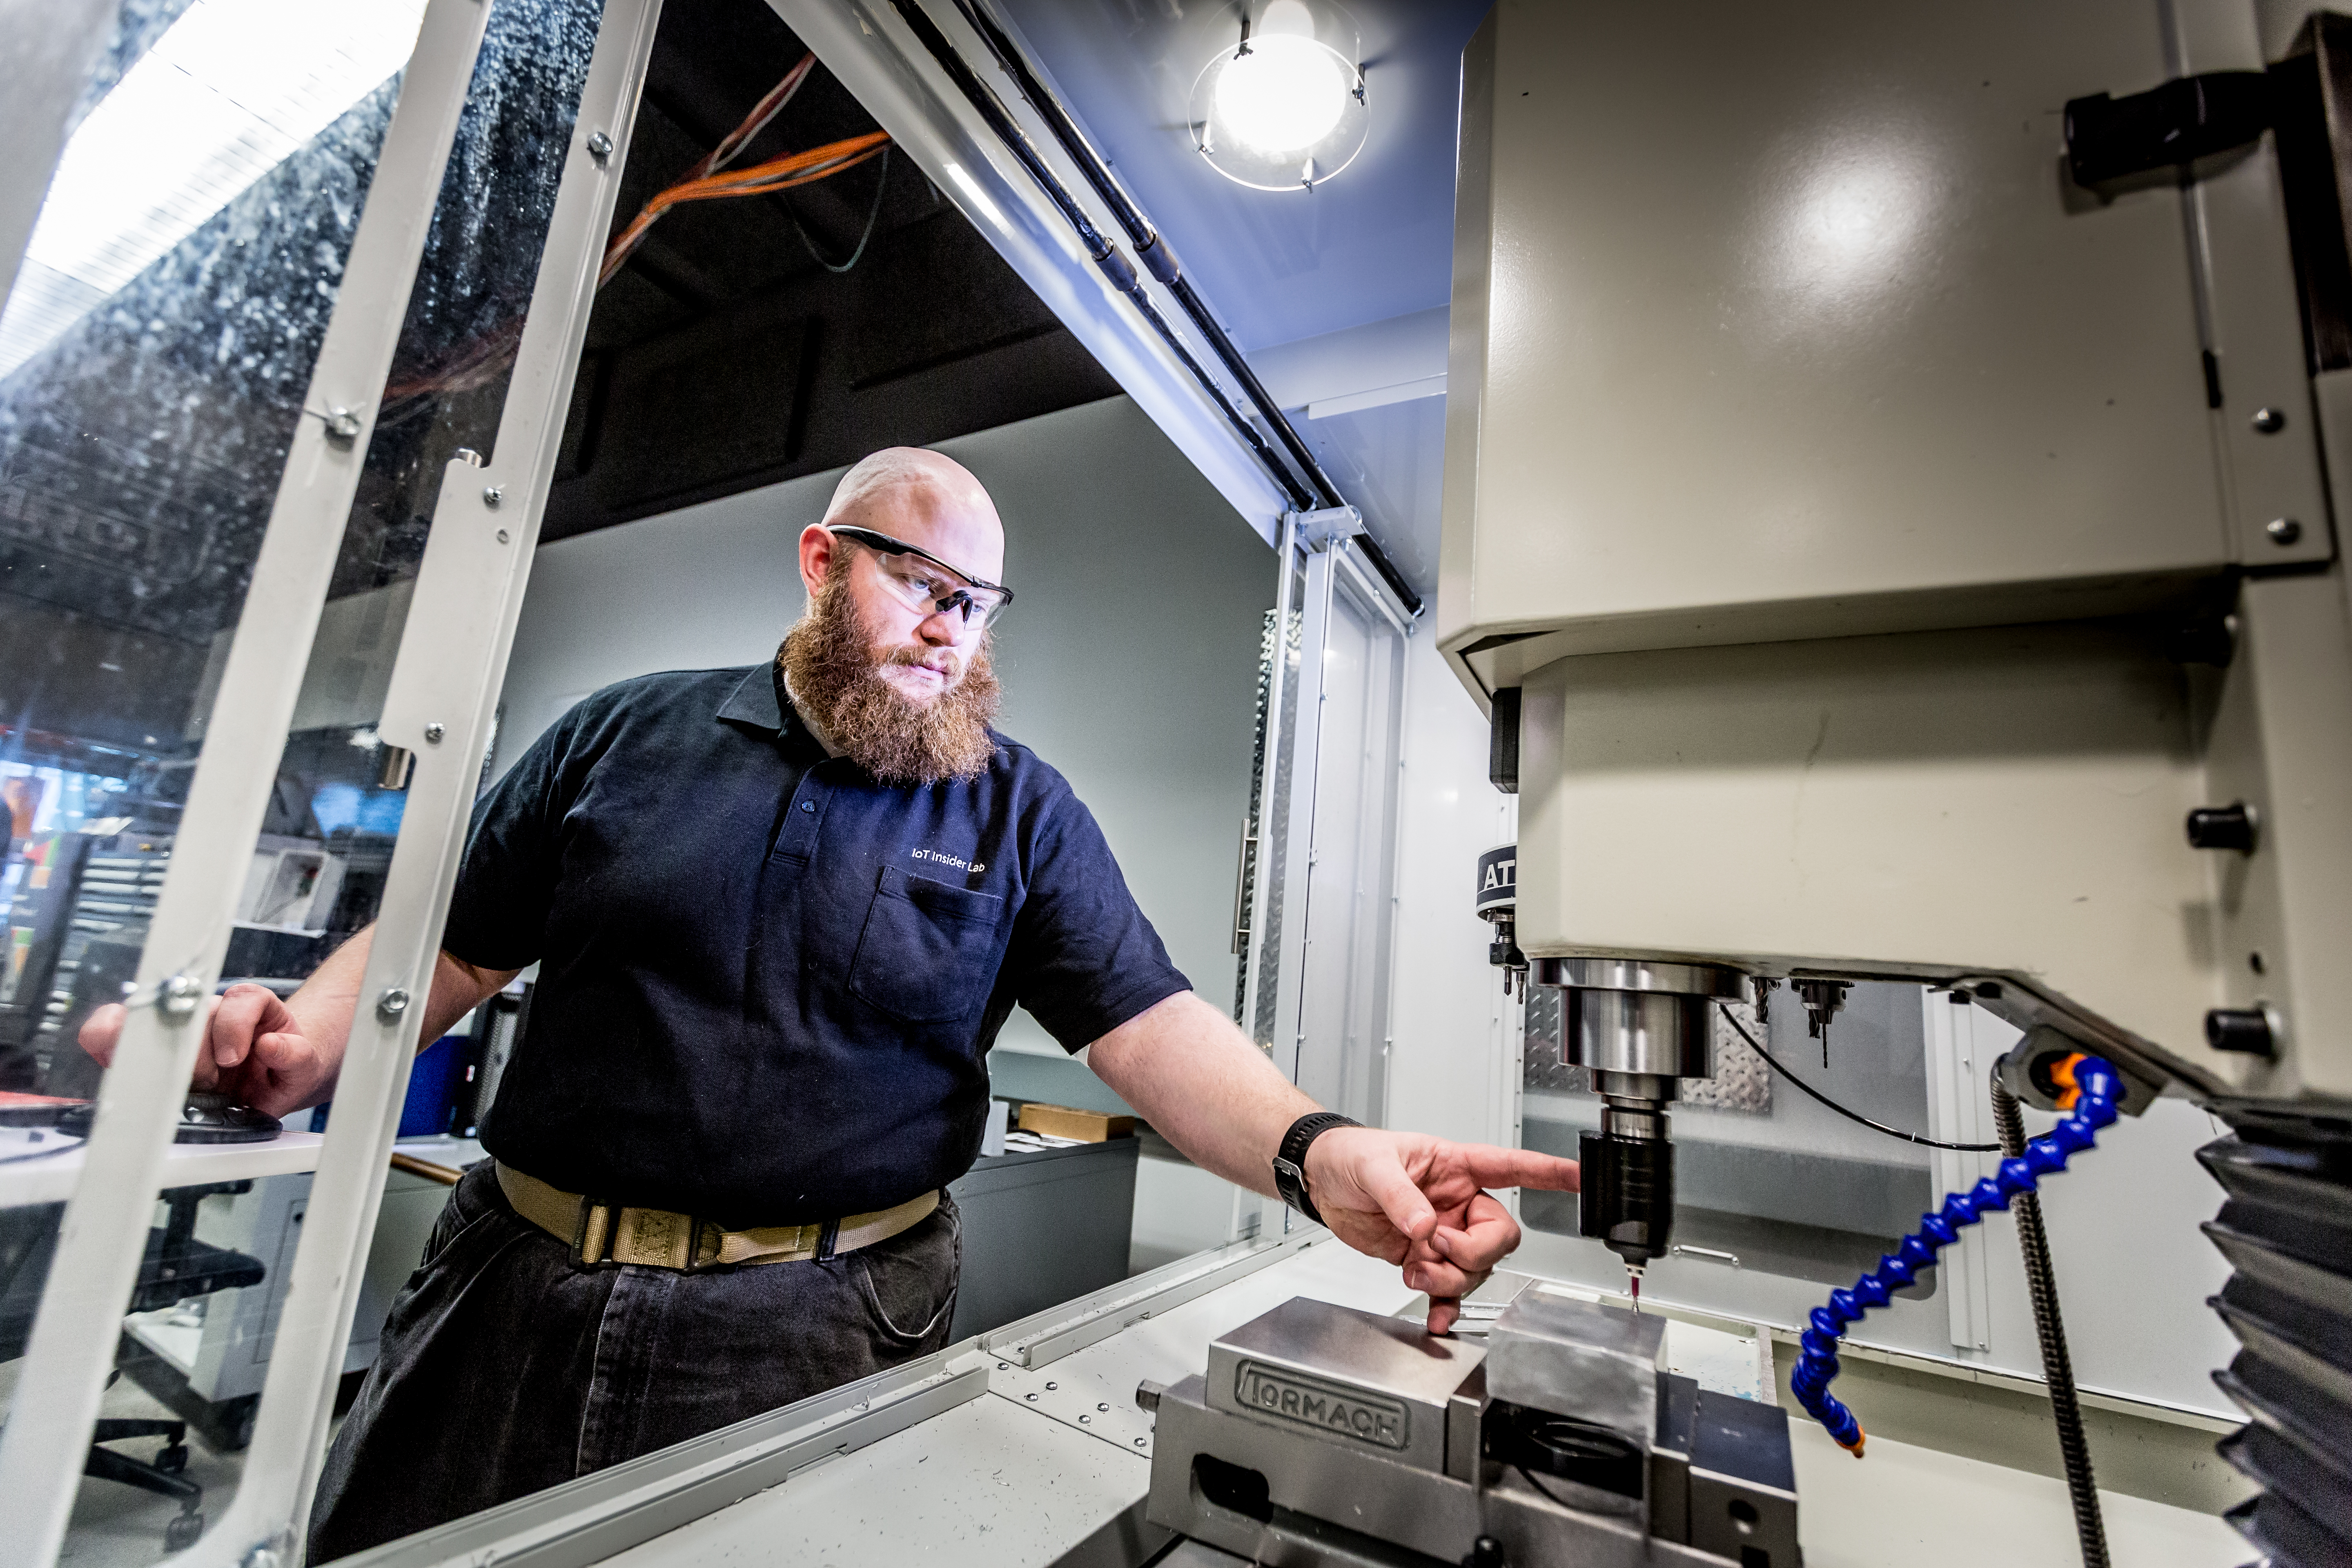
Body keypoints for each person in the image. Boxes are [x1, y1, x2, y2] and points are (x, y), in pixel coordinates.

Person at [82, 448, 1578, 1558]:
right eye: (921, 585)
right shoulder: (620, 737)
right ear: (820, 562)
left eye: (978, 606)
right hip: (511, 1288)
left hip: (820, 1319)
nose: (950, 630)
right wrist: (302, 1043)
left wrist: (1324, 1152)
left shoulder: (1018, 812)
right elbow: (447, 956)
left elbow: (1148, 1025)